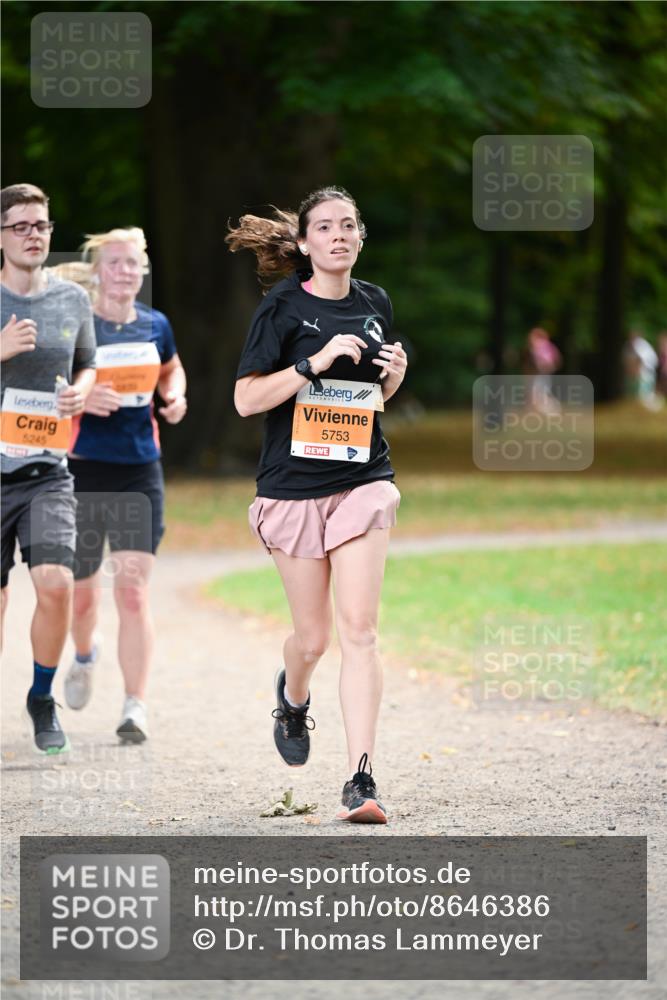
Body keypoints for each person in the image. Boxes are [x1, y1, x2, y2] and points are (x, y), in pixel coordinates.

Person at [227, 186, 407, 823]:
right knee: (313, 638)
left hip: (362, 480)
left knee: (360, 632)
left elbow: (373, 398)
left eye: (349, 225)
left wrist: (393, 375)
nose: (339, 235)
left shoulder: (376, 303)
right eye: (325, 227)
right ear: (304, 243)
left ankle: (362, 780)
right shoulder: (280, 308)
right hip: (292, 490)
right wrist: (313, 364)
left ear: (360, 237)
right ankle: (293, 696)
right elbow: (247, 400)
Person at [56, 227, 187, 742]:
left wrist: (175, 397)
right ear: (97, 271)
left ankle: (135, 705)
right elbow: (45, 384)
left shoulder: (157, 325)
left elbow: (173, 371)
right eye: (115, 263)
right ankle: (86, 654)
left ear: (142, 271)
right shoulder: (77, 325)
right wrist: (81, 399)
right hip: (83, 469)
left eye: (133, 263)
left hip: (139, 470)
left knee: (132, 591)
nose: (125, 272)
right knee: (82, 598)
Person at [0, 182, 96, 754]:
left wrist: (81, 393)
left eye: (42, 226)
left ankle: (41, 695)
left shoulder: (71, 300)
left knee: (56, 584)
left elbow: (87, 363)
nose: (33, 235)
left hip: (46, 472)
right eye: (20, 226)